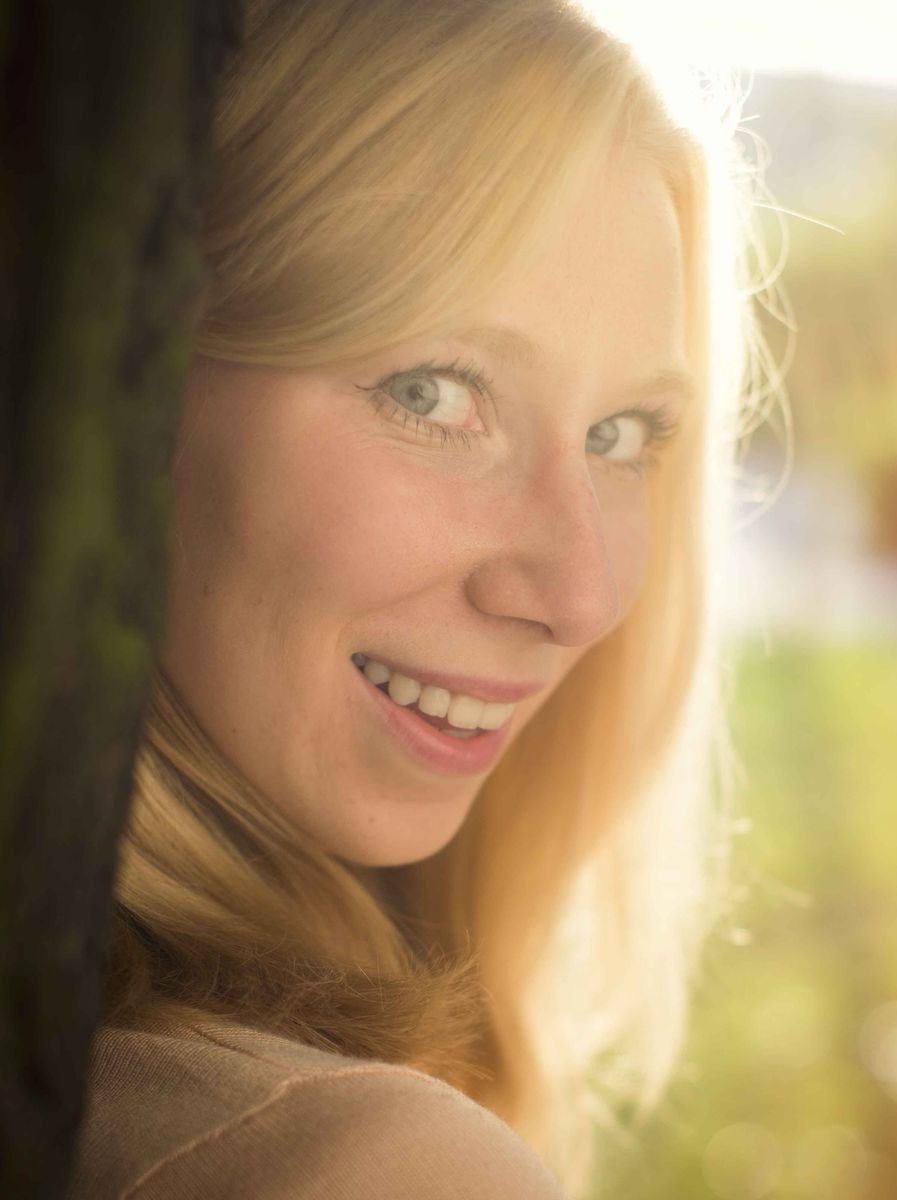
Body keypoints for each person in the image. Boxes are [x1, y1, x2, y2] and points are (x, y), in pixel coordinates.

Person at [69, 1, 770, 1196]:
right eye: (432, 394)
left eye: (619, 433)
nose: (582, 594)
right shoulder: (359, 1164)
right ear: (128, 389)